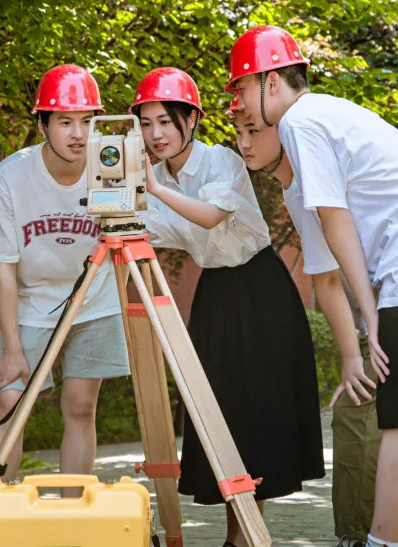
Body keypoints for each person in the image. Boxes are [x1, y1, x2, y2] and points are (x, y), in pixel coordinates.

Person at [226, 25, 398, 547]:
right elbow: (328, 250)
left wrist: (371, 316)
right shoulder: (324, 113)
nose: (243, 114)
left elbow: (334, 217)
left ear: (271, 81)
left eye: (242, 89)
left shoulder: (301, 120)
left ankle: (383, 541)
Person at [131, 67, 325, 547]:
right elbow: (145, 233)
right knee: (216, 412)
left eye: (166, 121)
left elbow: (213, 214)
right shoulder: (149, 177)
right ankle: (234, 535)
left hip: (260, 289)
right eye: (146, 123)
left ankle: (246, 536)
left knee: (254, 414)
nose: (156, 134)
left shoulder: (222, 160)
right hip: (215, 294)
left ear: (190, 120)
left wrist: (153, 190)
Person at [229, 93, 382, 547]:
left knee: (375, 420)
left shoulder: (318, 167)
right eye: (239, 133)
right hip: (381, 309)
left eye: (255, 130)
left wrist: (365, 335)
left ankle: (373, 538)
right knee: (374, 417)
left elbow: (337, 272)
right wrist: (350, 353)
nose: (244, 143)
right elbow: (326, 279)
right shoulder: (294, 189)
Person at [0, 64, 130, 493]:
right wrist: (10, 348)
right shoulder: (12, 177)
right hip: (31, 300)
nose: (78, 134)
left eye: (87, 121)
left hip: (94, 298)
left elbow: (129, 240)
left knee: (80, 406)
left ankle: (72, 515)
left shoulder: (111, 167)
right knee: (10, 400)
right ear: (43, 124)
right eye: (65, 121)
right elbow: (2, 268)